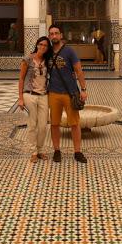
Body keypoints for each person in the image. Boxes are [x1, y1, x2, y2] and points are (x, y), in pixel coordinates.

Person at [47, 24, 88, 164]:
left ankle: (77, 151)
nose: (54, 36)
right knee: (54, 124)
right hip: (53, 93)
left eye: (56, 33)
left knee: (74, 124)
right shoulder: (47, 52)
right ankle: (57, 150)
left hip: (70, 93)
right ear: (49, 36)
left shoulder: (69, 51)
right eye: (51, 34)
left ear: (61, 35)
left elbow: (79, 71)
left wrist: (83, 89)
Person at [17, 36, 52, 163]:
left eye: (45, 45)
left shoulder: (47, 60)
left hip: (43, 96)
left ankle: (40, 149)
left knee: (43, 126)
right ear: (37, 45)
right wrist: (20, 98)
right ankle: (33, 152)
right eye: (41, 44)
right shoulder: (28, 59)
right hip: (30, 94)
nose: (43, 47)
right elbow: (21, 79)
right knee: (32, 124)